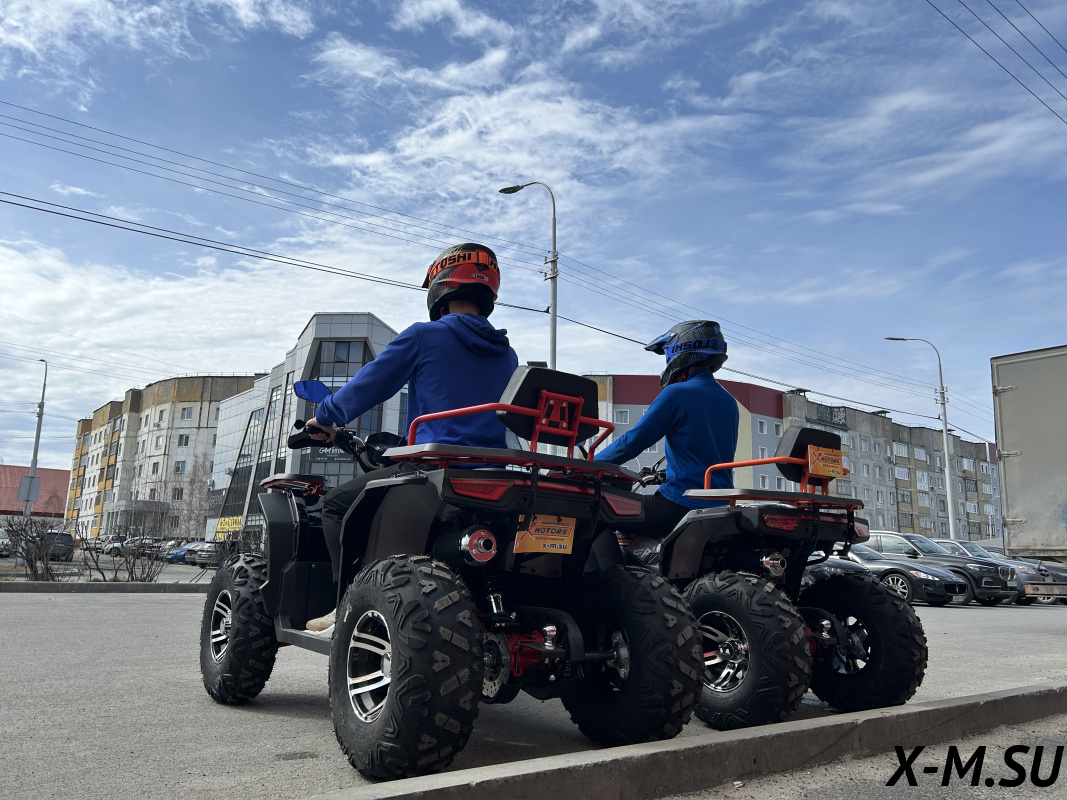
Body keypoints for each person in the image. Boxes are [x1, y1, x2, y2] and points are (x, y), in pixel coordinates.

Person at [303, 243, 519, 631]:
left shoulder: (424, 335)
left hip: (432, 466)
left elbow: (368, 385)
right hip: (493, 473)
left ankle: (346, 606)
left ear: (440, 286)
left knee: (335, 505)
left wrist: (324, 416)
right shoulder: (508, 354)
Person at [594, 320, 739, 538]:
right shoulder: (729, 401)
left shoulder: (678, 393)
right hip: (720, 505)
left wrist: (587, 465)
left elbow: (632, 442)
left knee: (598, 510)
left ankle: (587, 562)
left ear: (679, 351)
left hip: (680, 504)